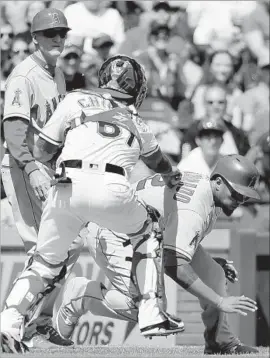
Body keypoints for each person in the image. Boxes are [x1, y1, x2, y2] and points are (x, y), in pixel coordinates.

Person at [0, 55, 184, 353]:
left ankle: (8, 320)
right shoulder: (137, 121)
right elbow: (158, 162)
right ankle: (150, 313)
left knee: (45, 262)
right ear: (137, 88)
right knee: (148, 233)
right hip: (111, 187)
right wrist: (171, 174)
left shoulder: (75, 99)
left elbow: (42, 149)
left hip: (66, 187)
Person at [56, 154, 260, 355]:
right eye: (236, 193)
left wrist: (213, 265)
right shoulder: (196, 208)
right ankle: (80, 295)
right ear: (217, 181)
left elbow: (175, 242)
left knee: (214, 274)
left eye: (245, 196)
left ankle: (220, 343)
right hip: (113, 231)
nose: (240, 199)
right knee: (150, 309)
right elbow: (174, 264)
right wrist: (219, 301)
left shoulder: (207, 192)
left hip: (141, 231)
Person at [1, 8, 81, 348]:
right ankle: (11, 323)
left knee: (71, 245)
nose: (58, 39)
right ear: (35, 37)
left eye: (62, 33)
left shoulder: (58, 74)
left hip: (48, 169)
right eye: (51, 34)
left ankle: (42, 319)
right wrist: (31, 167)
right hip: (23, 167)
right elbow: (13, 128)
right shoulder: (24, 75)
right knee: (44, 247)